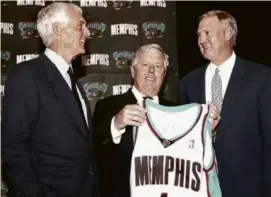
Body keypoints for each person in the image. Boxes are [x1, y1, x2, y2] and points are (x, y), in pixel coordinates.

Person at [92, 43, 220, 197]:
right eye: (145, 64)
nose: (151, 70)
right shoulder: (109, 106)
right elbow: (96, 149)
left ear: (164, 74)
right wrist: (116, 124)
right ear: (133, 71)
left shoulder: (177, 110)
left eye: (158, 66)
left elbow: (187, 157)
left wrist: (203, 133)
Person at [1, 2, 98, 197]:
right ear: (58, 29)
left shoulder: (72, 80)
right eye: (80, 25)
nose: (87, 32)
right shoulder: (27, 76)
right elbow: (14, 149)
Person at [177, 10, 271, 197]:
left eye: (207, 33)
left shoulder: (261, 78)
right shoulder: (188, 83)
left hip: (247, 188)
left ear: (228, 34)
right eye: (198, 35)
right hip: (199, 187)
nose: (201, 40)